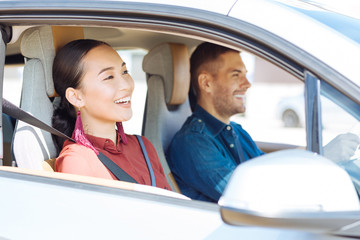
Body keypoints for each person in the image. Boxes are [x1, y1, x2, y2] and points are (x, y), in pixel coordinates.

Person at [167, 42, 360, 202]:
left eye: (245, 74)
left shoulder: (236, 131)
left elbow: (268, 169)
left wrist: (316, 154)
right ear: (206, 83)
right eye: (236, 75)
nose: (247, 83)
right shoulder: (192, 142)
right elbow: (249, 195)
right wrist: (323, 160)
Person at [52, 39, 171, 190]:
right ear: (76, 97)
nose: (126, 85)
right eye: (108, 77)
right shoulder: (77, 161)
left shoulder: (144, 147)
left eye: (125, 72)